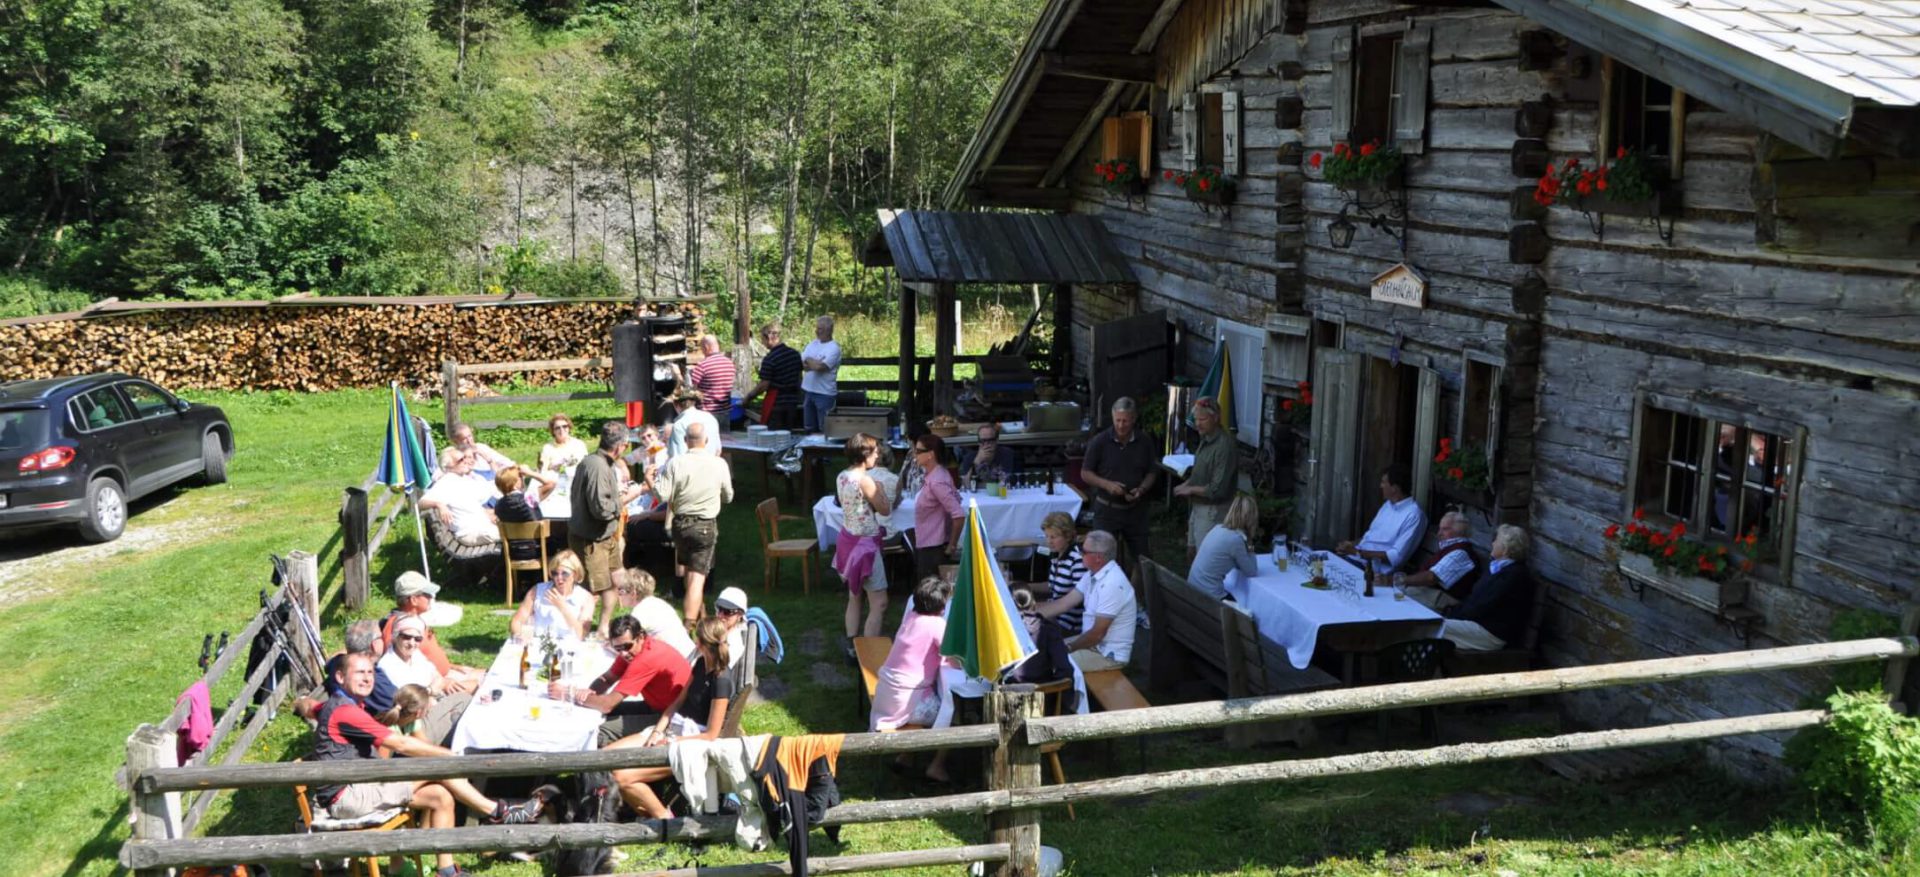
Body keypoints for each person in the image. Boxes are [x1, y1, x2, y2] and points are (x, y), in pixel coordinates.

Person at [311, 653, 550, 877]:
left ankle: (446, 871)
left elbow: (313, 708)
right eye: (359, 673)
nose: (367, 678)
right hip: (348, 797)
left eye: (370, 672)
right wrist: (450, 756)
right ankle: (498, 812)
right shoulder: (346, 711)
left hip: (364, 787)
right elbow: (401, 744)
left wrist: (303, 703)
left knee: (440, 796)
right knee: (439, 768)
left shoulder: (347, 705)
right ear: (340, 677)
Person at [605, 617, 741, 818]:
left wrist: (671, 741)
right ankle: (644, 811)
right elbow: (677, 703)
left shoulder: (721, 681)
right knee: (605, 758)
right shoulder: (701, 664)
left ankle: (664, 819)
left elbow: (711, 734)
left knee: (621, 776)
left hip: (691, 743)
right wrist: (658, 730)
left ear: (700, 644)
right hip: (674, 729)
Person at [550, 615, 691, 744]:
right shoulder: (634, 650)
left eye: (627, 646)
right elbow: (607, 678)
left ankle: (592, 768)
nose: (623, 653)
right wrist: (588, 692)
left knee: (598, 731)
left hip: (674, 718)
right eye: (617, 648)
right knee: (595, 711)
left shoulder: (646, 659)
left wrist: (569, 694)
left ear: (640, 637)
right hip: (657, 706)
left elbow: (607, 705)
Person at [649, 419, 733, 621]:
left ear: (686, 441)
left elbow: (662, 495)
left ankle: (700, 615)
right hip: (704, 525)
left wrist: (649, 480)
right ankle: (689, 627)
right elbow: (728, 497)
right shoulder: (718, 463)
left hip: (679, 524)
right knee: (696, 579)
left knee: (689, 574)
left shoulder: (675, 462)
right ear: (706, 440)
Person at [573, 422, 645, 639]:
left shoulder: (599, 463)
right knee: (596, 588)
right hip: (592, 538)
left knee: (616, 579)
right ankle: (590, 631)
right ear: (621, 446)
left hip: (606, 535)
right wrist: (631, 495)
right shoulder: (598, 468)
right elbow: (601, 510)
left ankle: (606, 627)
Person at [1037, 530, 1137, 671]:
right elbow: (1064, 603)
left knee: (1046, 664)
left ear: (1098, 558)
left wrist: (1069, 647)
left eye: (1083, 551)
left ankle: (1062, 692)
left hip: (1106, 654)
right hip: (1093, 645)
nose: (1079, 554)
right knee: (1041, 652)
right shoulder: (1092, 574)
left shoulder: (1112, 584)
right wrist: (1026, 613)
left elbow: (1097, 634)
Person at [1079, 397, 1159, 566]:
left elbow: (1152, 472)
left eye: (1126, 421)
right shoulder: (1099, 441)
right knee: (1101, 560)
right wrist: (1108, 485)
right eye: (1118, 420)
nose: (1121, 425)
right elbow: (1085, 473)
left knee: (1144, 561)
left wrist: (1142, 489)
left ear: (1134, 419)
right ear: (1113, 417)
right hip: (1107, 511)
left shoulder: (1144, 441)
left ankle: (1139, 591)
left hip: (1136, 511)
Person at [380, 572, 485, 693]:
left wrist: (452, 666)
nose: (431, 597)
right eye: (427, 594)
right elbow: (402, 671)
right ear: (413, 599)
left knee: (490, 674)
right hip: (432, 688)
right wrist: (439, 684)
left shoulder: (415, 620)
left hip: (444, 676)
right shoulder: (398, 628)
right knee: (486, 686)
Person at [833, 432, 893, 644]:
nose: (877, 456)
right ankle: (868, 652)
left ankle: (851, 643)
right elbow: (885, 510)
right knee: (879, 602)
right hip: (865, 545)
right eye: (875, 452)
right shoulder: (866, 481)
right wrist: (881, 490)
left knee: (855, 595)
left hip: (848, 540)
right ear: (865, 455)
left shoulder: (842, 476)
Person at [376, 614, 472, 746]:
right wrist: (432, 690)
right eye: (406, 637)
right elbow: (412, 704)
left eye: (417, 639)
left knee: (473, 688)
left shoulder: (414, 655)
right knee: (464, 699)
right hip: (414, 724)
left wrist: (430, 690)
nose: (412, 643)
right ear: (395, 636)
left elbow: (438, 677)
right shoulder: (388, 666)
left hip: (431, 703)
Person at [1442, 525, 1535, 651]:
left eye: (1496, 540)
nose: (1492, 543)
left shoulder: (1514, 575)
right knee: (1430, 625)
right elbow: (1475, 599)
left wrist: (1455, 615)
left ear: (1505, 547)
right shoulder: (1497, 568)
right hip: (1478, 625)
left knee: (1432, 627)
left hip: (1491, 634)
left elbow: (1483, 605)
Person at [1172, 397, 1238, 562]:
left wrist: (1190, 489)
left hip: (1213, 512)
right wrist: (1186, 484)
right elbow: (1199, 474)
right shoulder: (1206, 439)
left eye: (1202, 419)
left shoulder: (1224, 446)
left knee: (1206, 561)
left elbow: (1217, 489)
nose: (1198, 424)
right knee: (1192, 554)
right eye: (1196, 419)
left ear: (1215, 418)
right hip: (1198, 507)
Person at [1335, 465, 1426, 577]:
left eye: (1383, 482)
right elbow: (1370, 537)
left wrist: (1356, 552)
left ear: (1394, 488)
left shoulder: (1413, 515)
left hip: (1372, 571)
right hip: (1357, 559)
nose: (1380, 486)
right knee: (1316, 560)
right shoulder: (1388, 505)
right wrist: (1351, 545)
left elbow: (1396, 557)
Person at [297, 619, 398, 719]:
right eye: (381, 637)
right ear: (374, 645)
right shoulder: (372, 679)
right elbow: (402, 704)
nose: (384, 639)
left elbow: (330, 662)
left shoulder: (337, 663)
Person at [1400, 511, 1484, 610]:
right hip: (1430, 594)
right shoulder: (1451, 548)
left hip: (1445, 601)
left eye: (1445, 529)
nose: (1439, 533)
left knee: (1399, 600)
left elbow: (1431, 578)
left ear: (1460, 532)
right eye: (1440, 529)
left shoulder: (1461, 553)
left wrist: (1400, 580)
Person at [909, 433, 964, 581]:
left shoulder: (937, 481)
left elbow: (958, 515)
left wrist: (950, 547)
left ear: (930, 455)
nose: (915, 454)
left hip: (933, 549)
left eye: (919, 451)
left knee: (930, 596)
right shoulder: (937, 474)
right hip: (930, 544)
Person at [418, 452, 501, 546]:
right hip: (470, 533)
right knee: (514, 532)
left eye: (465, 457)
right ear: (449, 466)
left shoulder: (463, 478)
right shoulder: (446, 482)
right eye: (461, 460)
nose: (465, 461)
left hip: (483, 527)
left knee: (514, 525)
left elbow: (488, 491)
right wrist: (439, 504)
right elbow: (420, 503)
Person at [509, 550, 595, 641]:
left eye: (565, 573)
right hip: (539, 644)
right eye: (555, 573)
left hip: (570, 646)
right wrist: (519, 636)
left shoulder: (586, 598)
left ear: (575, 574)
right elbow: (517, 621)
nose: (559, 578)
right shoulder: (537, 591)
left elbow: (582, 634)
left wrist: (562, 607)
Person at [1189, 494, 1260, 601]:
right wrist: (1250, 543)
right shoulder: (1236, 540)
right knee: (1248, 610)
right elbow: (1251, 572)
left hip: (1193, 588)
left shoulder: (1218, 528)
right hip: (1209, 596)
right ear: (1250, 518)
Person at [622, 567, 697, 660]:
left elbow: (624, 641)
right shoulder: (657, 602)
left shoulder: (640, 612)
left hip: (680, 660)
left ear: (633, 593)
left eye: (621, 591)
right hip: (690, 654)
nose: (618, 595)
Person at [1004, 588, 1072, 686]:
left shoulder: (999, 630)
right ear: (1034, 604)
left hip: (1005, 698)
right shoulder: (1049, 628)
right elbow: (1065, 669)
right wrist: (1059, 695)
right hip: (1044, 696)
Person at [745, 322, 803, 430]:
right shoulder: (795, 354)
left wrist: (749, 397)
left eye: (762, 338)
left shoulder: (770, 359)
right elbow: (799, 378)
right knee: (788, 432)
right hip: (792, 400)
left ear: (769, 337)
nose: (762, 342)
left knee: (774, 434)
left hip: (777, 402)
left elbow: (764, 385)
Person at [1038, 512, 1086, 637]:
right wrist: (1023, 585)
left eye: (1053, 537)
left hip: (1070, 625)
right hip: (1056, 617)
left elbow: (1077, 601)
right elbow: (1051, 586)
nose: (1049, 541)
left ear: (1068, 536)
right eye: (1047, 536)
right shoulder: (1057, 554)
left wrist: (1037, 611)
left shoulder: (1077, 560)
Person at [799, 315, 843, 434]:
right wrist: (811, 362)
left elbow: (820, 367)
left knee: (825, 428)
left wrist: (810, 361)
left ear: (829, 330)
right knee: (809, 427)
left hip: (824, 393)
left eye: (820, 329)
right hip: (808, 391)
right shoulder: (812, 344)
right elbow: (802, 364)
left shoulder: (834, 348)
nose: (817, 331)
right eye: (817, 328)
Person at [439, 422, 514, 480]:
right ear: (456, 442)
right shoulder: (455, 456)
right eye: (464, 439)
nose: (469, 441)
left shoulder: (482, 448)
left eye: (470, 436)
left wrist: (487, 458)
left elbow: (508, 463)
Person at [688, 334, 736, 422]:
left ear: (706, 347)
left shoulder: (702, 365)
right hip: (726, 411)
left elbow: (692, 389)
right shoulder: (730, 363)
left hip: (707, 413)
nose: (702, 351)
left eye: (702, 348)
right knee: (724, 435)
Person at [665, 387, 723, 458]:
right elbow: (718, 450)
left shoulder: (679, 424)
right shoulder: (710, 418)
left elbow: (678, 457)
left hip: (690, 467)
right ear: (694, 402)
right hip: (712, 465)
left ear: (675, 404)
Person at [714, 585, 753, 670]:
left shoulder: (734, 645)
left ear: (740, 615)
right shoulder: (715, 632)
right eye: (720, 609)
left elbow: (717, 671)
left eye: (728, 612)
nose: (721, 615)